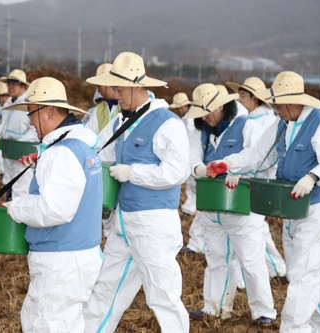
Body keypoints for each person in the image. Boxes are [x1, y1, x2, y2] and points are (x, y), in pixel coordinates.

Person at [211, 71, 320, 332]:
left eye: (277, 104)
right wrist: (228, 163)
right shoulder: (282, 126)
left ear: (293, 100)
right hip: (293, 212)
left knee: (303, 279)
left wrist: (313, 176)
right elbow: (257, 156)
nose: (274, 109)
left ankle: (293, 328)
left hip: (317, 211)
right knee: (309, 277)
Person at [83, 52, 190, 333]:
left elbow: (177, 171)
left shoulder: (167, 123)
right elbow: (96, 147)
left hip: (153, 224)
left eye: (118, 89)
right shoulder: (121, 122)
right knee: (105, 288)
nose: (115, 95)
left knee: (163, 295)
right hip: (122, 223)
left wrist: (134, 173)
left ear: (136, 86)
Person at [3, 77, 103, 333]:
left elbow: (54, 210)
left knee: (49, 324)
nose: (28, 120)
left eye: (30, 112)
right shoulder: (82, 146)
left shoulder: (61, 153)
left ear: (48, 111)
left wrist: (17, 206)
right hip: (77, 255)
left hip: (61, 260)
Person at [183, 83, 276, 327]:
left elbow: (262, 159)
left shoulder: (247, 126)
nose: (204, 116)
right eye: (200, 112)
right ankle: (215, 308)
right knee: (215, 257)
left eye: (208, 111)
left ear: (222, 106)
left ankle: (264, 311)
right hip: (212, 205)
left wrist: (241, 173)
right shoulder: (199, 131)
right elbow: (190, 160)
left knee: (251, 259)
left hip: (242, 205)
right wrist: (201, 169)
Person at [227, 76, 287, 280]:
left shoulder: (260, 122)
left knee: (252, 228)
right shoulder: (264, 119)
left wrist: (239, 171)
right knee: (256, 228)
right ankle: (276, 268)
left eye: (243, 95)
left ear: (255, 98)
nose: (239, 99)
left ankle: (269, 270)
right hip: (258, 179)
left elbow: (260, 157)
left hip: (258, 181)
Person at [0, 69, 38, 200]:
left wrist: (20, 143)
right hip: (9, 151)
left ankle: (20, 217)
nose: (10, 87)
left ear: (23, 85)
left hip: (23, 152)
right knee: (10, 181)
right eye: (8, 84)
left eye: (14, 84)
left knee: (21, 186)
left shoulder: (29, 104)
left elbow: (35, 130)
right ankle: (10, 208)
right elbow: (4, 123)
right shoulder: (8, 102)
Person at [169, 92, 197, 217]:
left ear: (182, 107)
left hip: (192, 153)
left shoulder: (190, 119)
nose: (176, 111)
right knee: (190, 181)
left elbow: (191, 139)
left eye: (177, 108)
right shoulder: (186, 117)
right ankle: (190, 206)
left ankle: (193, 207)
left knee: (193, 181)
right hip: (189, 153)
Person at [85, 63, 121, 135]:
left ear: (107, 83)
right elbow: (88, 134)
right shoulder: (99, 109)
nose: (98, 91)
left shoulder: (127, 105)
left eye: (99, 86)